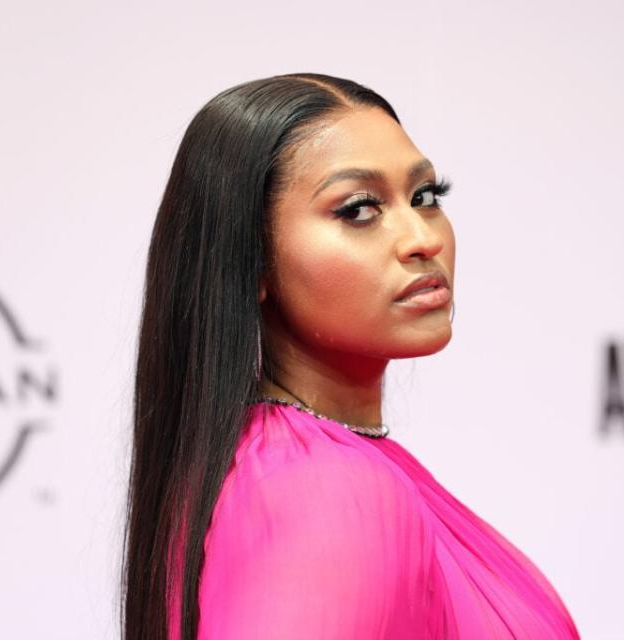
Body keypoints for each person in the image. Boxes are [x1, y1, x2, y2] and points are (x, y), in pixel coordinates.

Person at [121, 72, 580, 640]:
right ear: (253, 262)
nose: (422, 238)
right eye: (359, 209)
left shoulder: (286, 468)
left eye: (425, 197)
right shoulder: (323, 492)